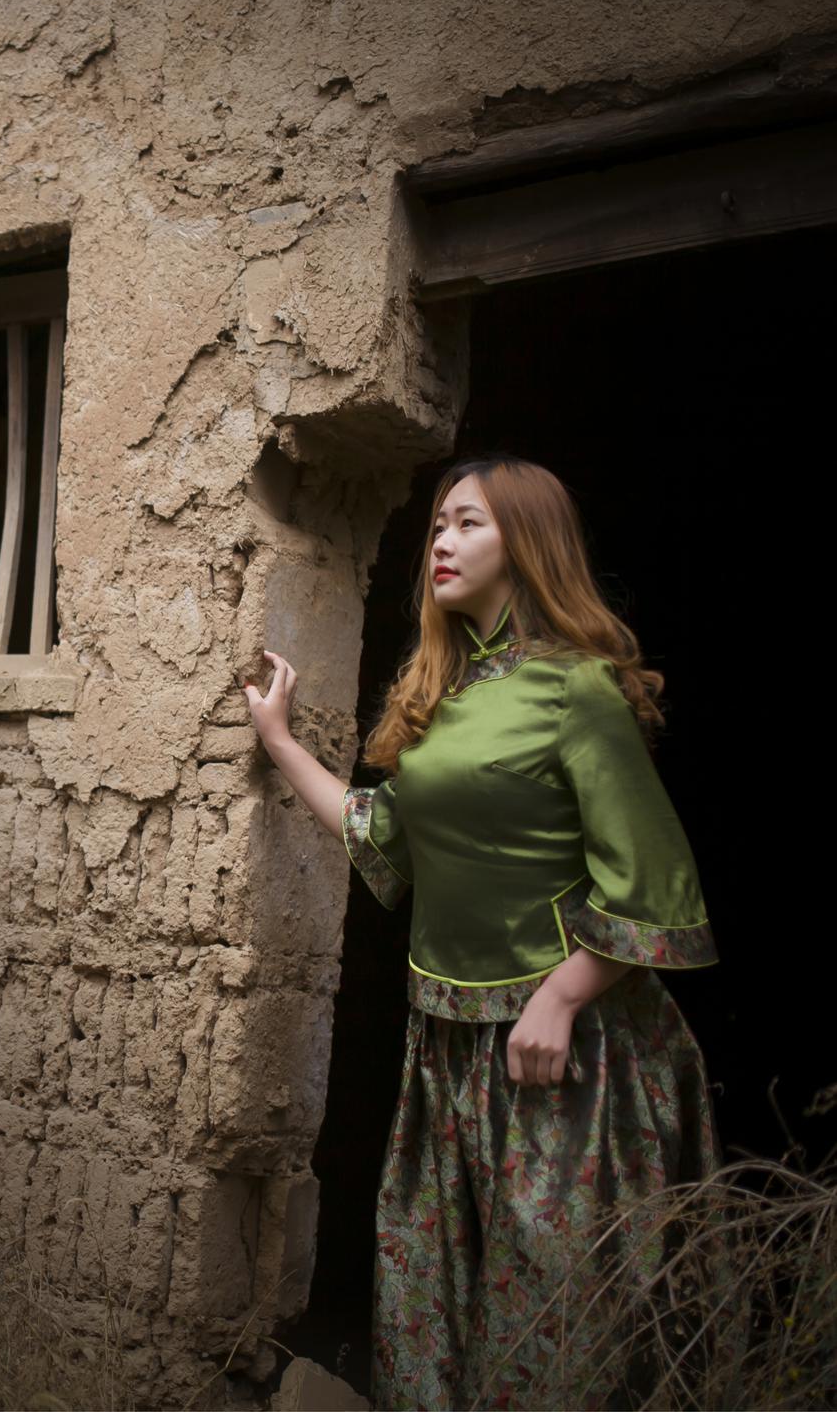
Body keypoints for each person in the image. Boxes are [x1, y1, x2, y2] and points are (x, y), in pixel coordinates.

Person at [242, 454, 725, 1411]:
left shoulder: (576, 687)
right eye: (436, 526)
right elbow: (381, 834)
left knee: (557, 1328)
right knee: (434, 1306)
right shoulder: (445, 699)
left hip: (564, 1056)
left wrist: (562, 995)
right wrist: (282, 741)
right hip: (447, 1054)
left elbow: (655, 881)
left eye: (468, 523)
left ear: (527, 541)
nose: (442, 542)